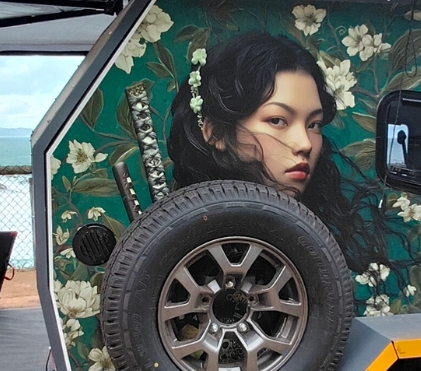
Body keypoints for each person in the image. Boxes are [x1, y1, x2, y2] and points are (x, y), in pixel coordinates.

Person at [167, 29, 402, 276]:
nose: (305, 144)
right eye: (278, 120)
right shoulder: (180, 249)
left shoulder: (305, 243)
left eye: (314, 125)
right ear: (216, 133)